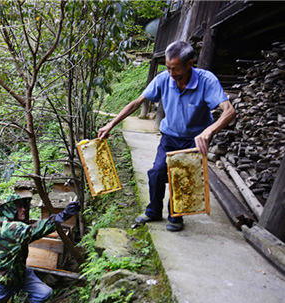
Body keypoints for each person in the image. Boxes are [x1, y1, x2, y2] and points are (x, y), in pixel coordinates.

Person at [98, 41, 236, 232]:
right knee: (157, 172)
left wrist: (208, 131)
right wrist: (111, 123)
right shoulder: (164, 79)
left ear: (190, 64)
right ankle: (154, 211)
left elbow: (229, 111)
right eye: (168, 68)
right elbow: (137, 102)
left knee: (182, 176)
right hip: (170, 136)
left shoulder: (206, 80)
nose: (171, 74)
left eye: (175, 69)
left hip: (195, 138)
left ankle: (176, 215)